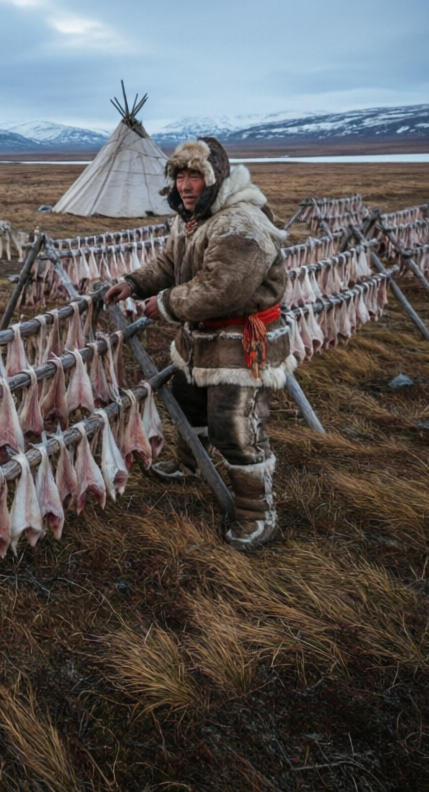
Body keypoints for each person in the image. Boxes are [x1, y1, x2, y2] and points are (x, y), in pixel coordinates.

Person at [104, 137, 294, 551]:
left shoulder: (240, 224)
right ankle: (192, 463)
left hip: (241, 342)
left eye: (195, 176)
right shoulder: (193, 218)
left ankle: (257, 513)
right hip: (201, 338)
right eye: (180, 176)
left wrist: (167, 303)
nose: (186, 186)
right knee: (189, 400)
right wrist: (134, 283)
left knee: (234, 425)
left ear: (215, 179)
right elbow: (171, 262)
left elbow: (222, 289)